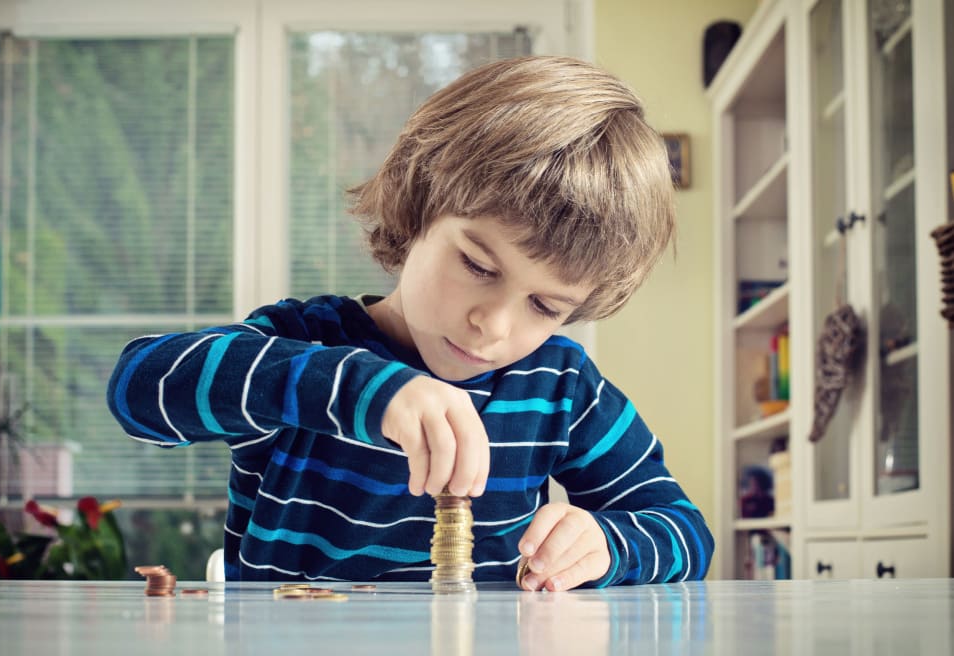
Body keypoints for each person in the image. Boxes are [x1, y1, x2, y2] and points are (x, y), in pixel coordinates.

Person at [107, 55, 713, 590]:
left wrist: (607, 546)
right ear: (419, 203)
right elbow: (137, 389)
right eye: (478, 264)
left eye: (545, 307)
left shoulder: (561, 387)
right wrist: (360, 389)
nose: (492, 324)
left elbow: (684, 532)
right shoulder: (305, 344)